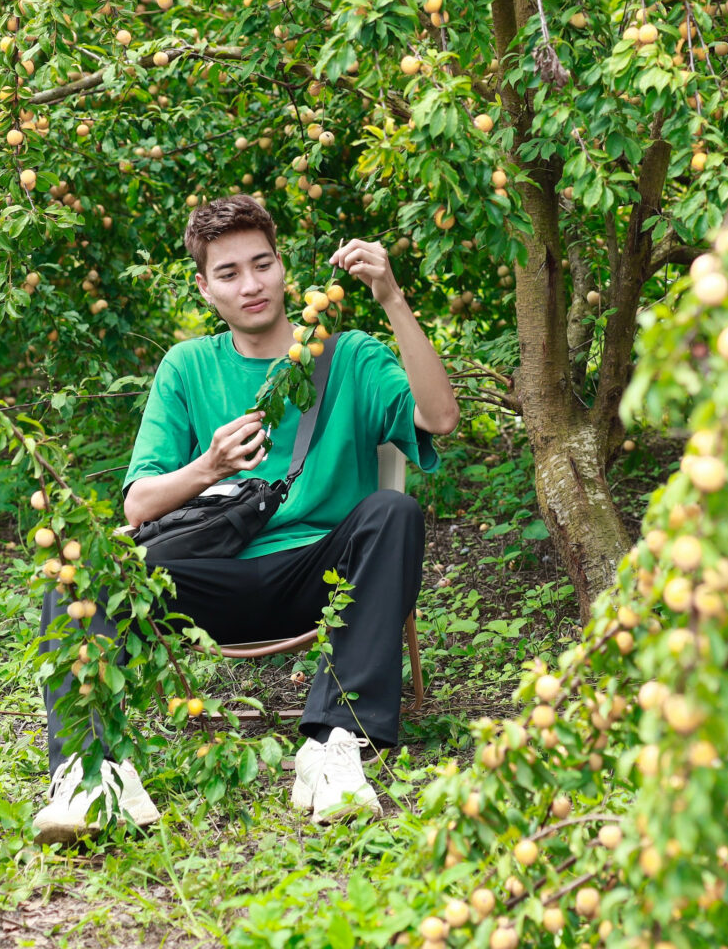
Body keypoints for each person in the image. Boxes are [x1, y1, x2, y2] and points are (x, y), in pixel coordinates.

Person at [33, 194, 460, 842]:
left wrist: (392, 299)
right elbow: (138, 506)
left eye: (263, 264)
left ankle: (333, 747)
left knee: (393, 511)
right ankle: (94, 775)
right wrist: (207, 467)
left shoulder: (349, 357)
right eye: (229, 273)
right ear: (205, 288)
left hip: (318, 578)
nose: (252, 285)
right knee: (83, 565)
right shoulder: (188, 367)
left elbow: (440, 420)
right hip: (209, 583)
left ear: (284, 267)